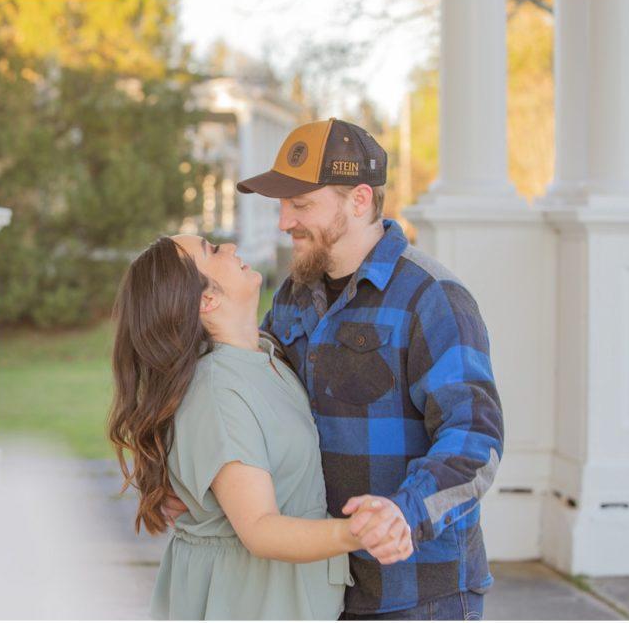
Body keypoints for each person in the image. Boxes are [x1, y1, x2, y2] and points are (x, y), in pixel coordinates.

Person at [163, 118, 504, 620]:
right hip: (321, 586)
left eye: (301, 205)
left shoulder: (433, 297)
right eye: (281, 205)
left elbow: (476, 439)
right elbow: (248, 391)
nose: (284, 221)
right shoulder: (294, 295)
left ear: (359, 200)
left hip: (418, 593)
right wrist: (172, 473)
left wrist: (402, 513)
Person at [107, 234, 414, 620]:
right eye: (212, 250)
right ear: (206, 300)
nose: (231, 248)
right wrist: (355, 533)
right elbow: (259, 529)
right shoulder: (218, 391)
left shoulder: (265, 356)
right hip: (247, 604)